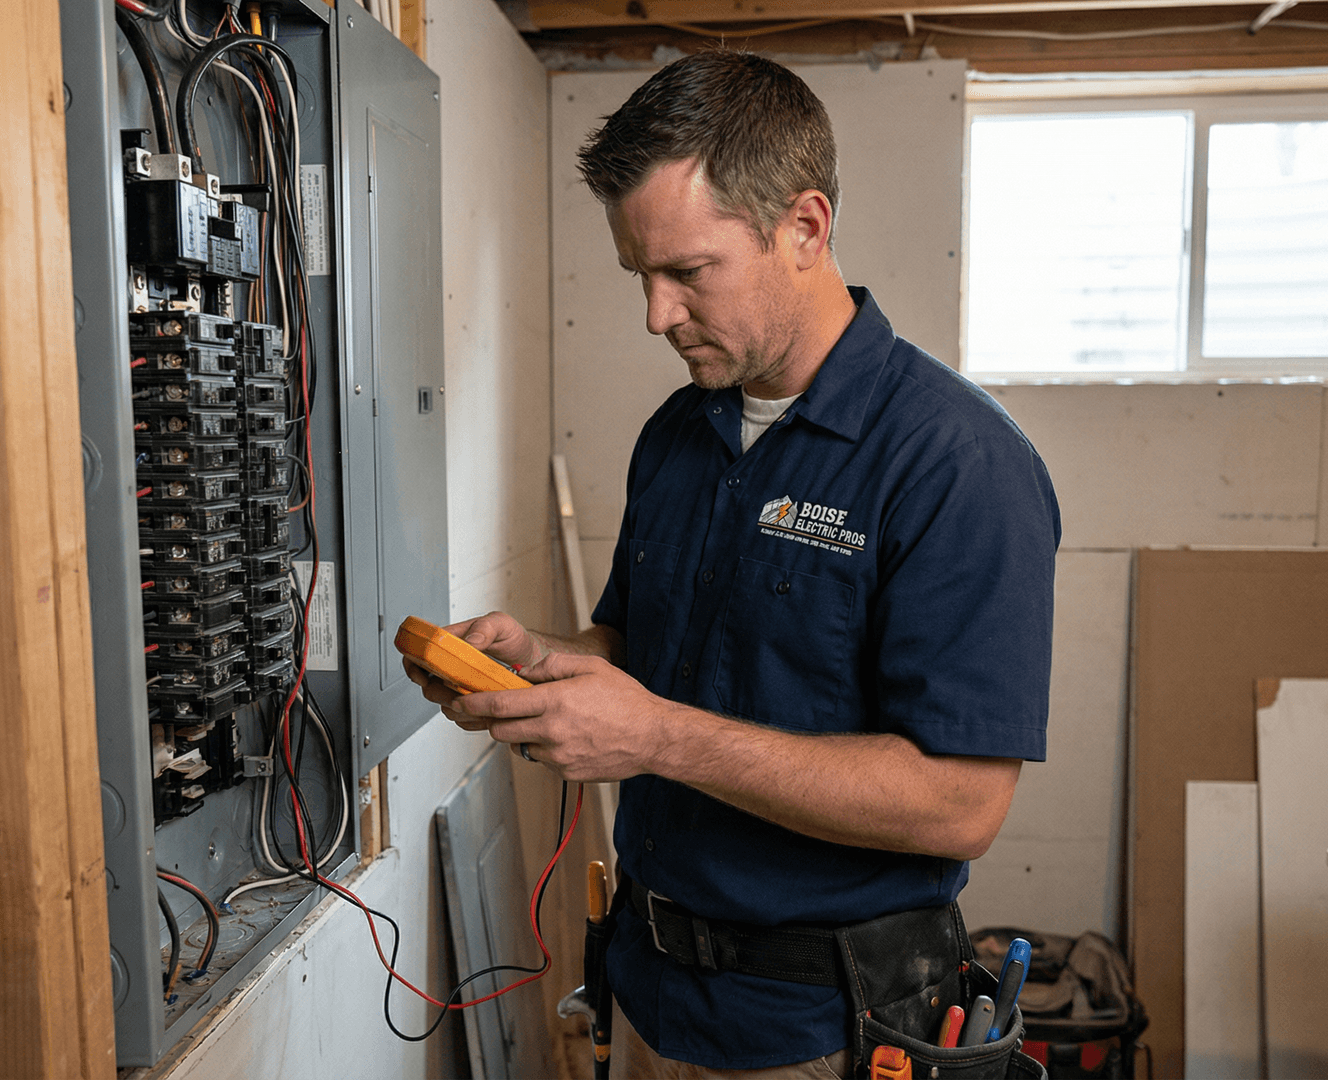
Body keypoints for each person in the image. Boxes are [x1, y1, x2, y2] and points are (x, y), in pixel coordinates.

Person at [405, 50, 1059, 1077]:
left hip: (821, 1032)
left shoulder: (955, 462)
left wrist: (657, 736)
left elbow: (959, 801)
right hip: (651, 993)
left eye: (687, 273)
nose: (656, 315)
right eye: (640, 275)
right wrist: (541, 661)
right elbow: (639, 647)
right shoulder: (680, 434)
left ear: (804, 226)